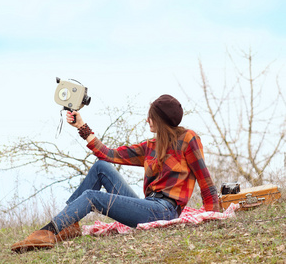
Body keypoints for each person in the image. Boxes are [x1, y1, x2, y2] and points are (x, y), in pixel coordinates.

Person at [11, 94, 219, 253]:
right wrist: (81, 126)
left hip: (165, 210)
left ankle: (49, 231)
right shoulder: (151, 146)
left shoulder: (188, 138)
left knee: (93, 197)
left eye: (151, 116)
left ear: (160, 119)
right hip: (148, 206)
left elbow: (205, 179)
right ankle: (69, 224)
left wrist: (212, 215)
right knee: (102, 167)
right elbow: (108, 154)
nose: (147, 120)